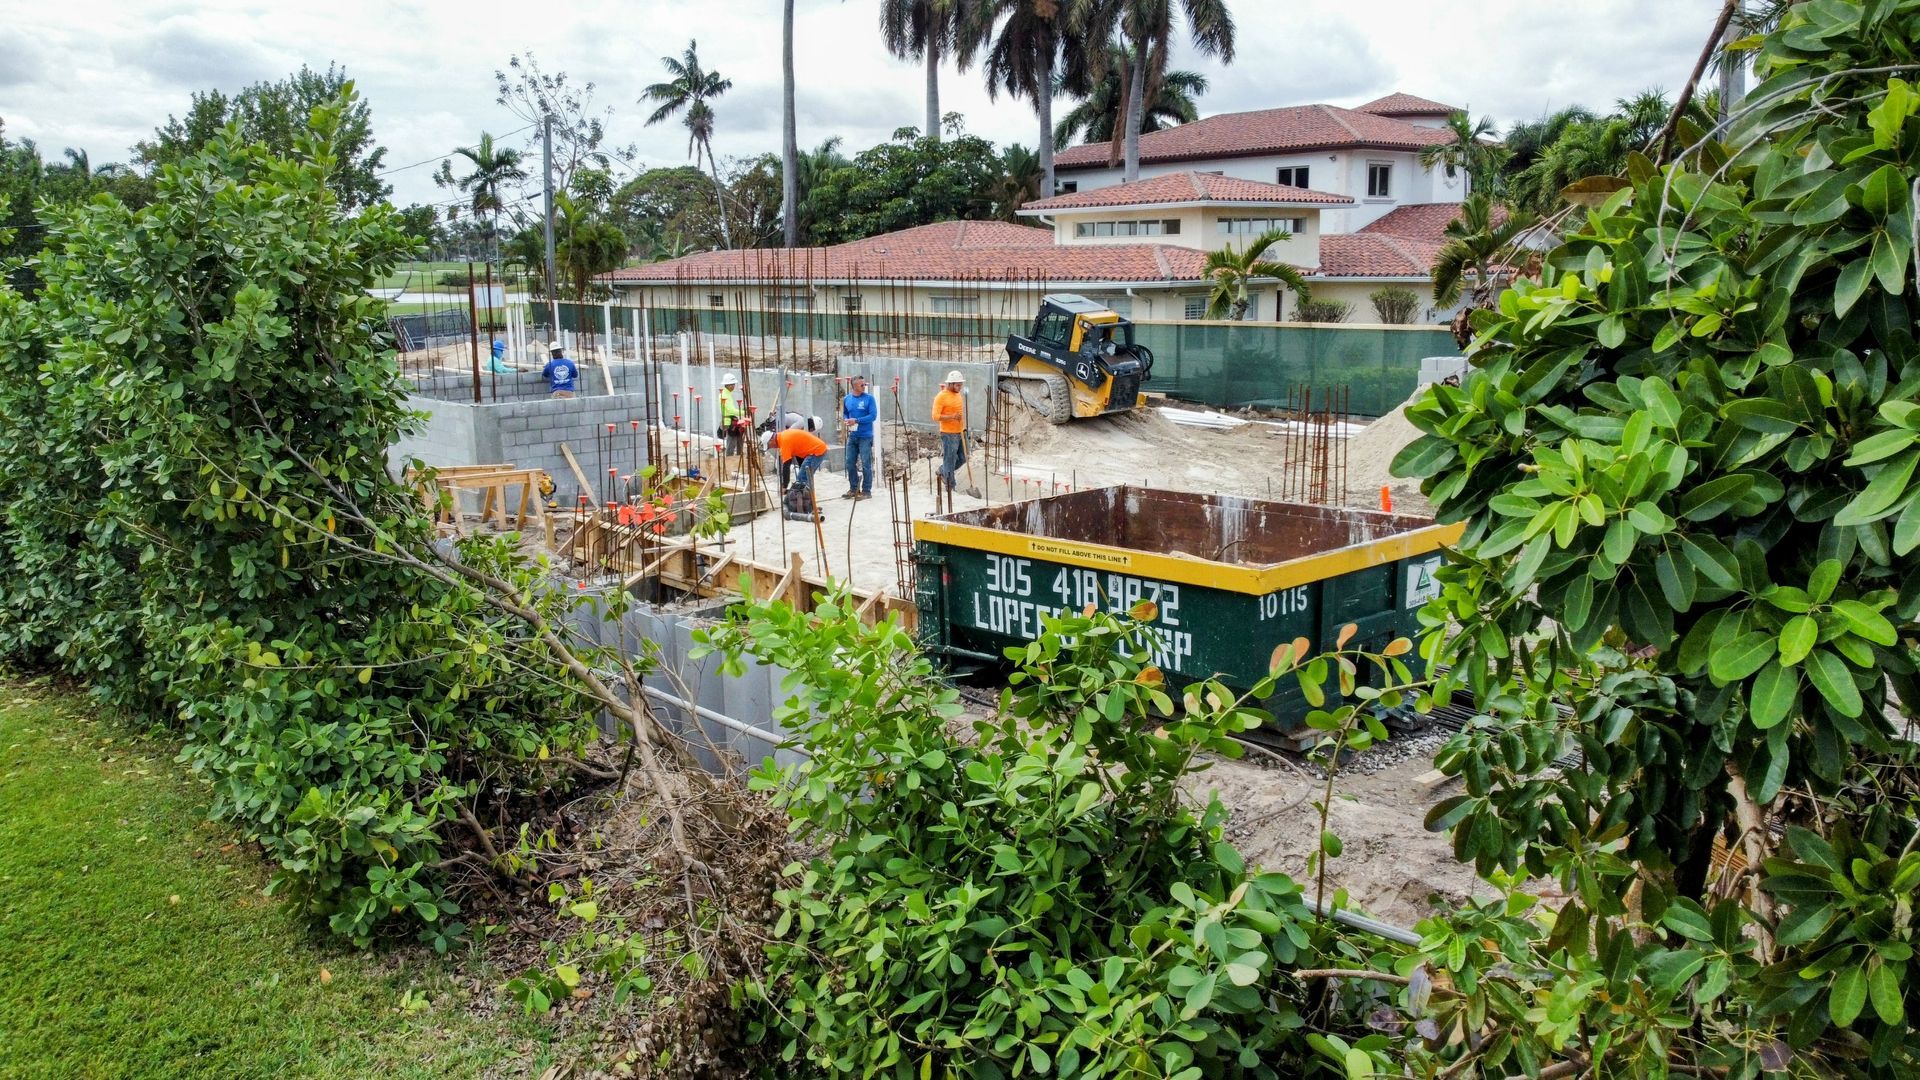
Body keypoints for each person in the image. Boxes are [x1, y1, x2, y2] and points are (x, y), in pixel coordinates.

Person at [764, 426, 828, 510]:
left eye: (769, 446)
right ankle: (811, 505)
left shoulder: (784, 441)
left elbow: (786, 465)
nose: (771, 447)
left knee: (802, 480)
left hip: (816, 451)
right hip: (817, 449)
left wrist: (784, 486)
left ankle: (809, 507)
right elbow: (799, 451)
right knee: (805, 479)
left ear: (771, 440)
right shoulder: (784, 436)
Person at [841, 375, 877, 500]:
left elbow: (873, 416)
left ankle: (867, 491)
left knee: (866, 463)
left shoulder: (869, 399)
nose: (864, 386)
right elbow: (845, 412)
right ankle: (854, 488)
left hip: (865, 436)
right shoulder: (847, 399)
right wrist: (846, 420)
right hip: (853, 435)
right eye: (861, 385)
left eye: (864, 384)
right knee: (849, 462)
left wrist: (857, 420)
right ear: (854, 386)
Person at [932, 370, 966, 492]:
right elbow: (935, 416)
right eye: (957, 385)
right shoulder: (941, 397)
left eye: (961, 385)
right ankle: (950, 485)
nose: (960, 387)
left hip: (960, 431)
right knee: (950, 459)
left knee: (963, 458)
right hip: (948, 433)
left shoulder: (957, 394)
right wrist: (952, 417)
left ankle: (943, 470)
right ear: (950, 384)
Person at [717, 373, 747, 454]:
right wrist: (744, 412)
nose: (733, 386)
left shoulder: (727, 394)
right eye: (732, 384)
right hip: (729, 422)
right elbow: (730, 410)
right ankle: (729, 460)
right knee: (731, 443)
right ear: (728, 385)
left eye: (734, 384)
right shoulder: (724, 395)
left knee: (739, 440)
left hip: (731, 420)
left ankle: (739, 457)